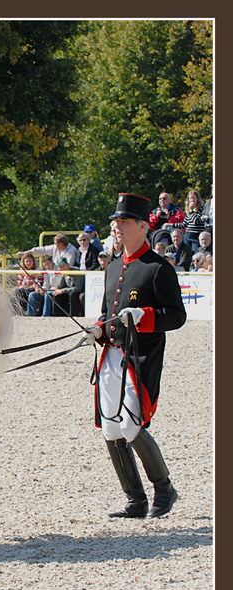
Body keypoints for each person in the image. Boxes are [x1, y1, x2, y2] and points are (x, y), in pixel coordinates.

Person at [83, 193, 186, 519]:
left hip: (140, 359)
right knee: (111, 429)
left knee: (131, 425)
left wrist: (145, 316)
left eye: (124, 222)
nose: (117, 227)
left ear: (142, 226)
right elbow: (106, 313)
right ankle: (135, 499)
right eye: (116, 222)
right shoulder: (113, 266)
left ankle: (164, 488)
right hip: (111, 357)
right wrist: (98, 330)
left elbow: (177, 316)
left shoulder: (157, 269)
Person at [181, 190, 206, 255]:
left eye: (194, 198)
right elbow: (184, 224)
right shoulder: (189, 212)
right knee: (185, 254)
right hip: (187, 235)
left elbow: (196, 221)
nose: (192, 200)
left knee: (195, 254)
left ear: (197, 199)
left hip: (196, 236)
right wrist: (170, 224)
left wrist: (191, 211)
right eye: (190, 198)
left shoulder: (202, 209)